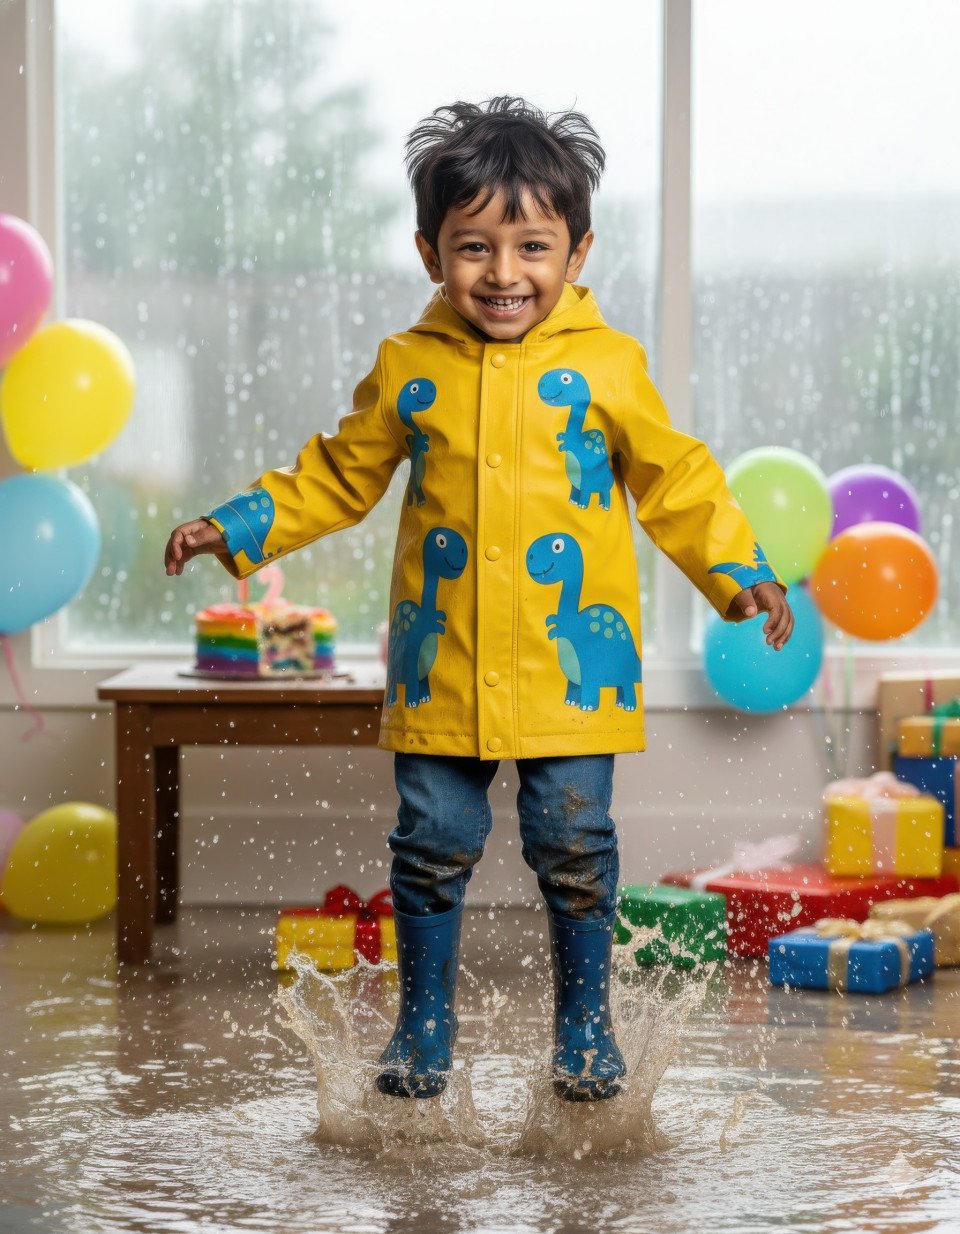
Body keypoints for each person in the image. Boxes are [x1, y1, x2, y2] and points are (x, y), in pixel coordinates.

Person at [164, 97, 793, 1103]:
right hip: (443, 668)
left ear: (578, 252)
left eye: (533, 246)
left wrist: (740, 568)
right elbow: (337, 473)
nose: (504, 273)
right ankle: (422, 1028)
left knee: (575, 845)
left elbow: (675, 478)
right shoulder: (410, 367)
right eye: (474, 247)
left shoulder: (608, 365)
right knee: (428, 845)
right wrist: (232, 525)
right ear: (430, 253)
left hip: (567, 678)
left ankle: (585, 1027)